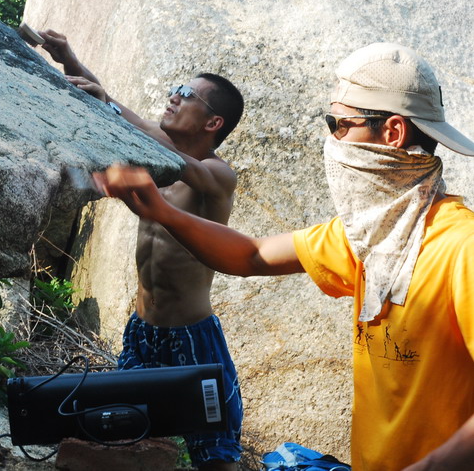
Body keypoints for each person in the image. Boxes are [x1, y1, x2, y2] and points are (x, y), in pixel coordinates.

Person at [93, 42, 474, 471]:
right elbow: (253, 256)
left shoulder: (461, 246)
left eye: (339, 125)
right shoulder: (368, 235)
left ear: (393, 134)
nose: (332, 140)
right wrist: (162, 212)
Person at [40, 30, 246, 470]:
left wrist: (112, 108)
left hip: (191, 337)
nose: (173, 97)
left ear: (213, 123)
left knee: (216, 455)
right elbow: (113, 106)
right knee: (121, 439)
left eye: (186, 94)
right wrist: (68, 57)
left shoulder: (216, 177)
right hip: (142, 332)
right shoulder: (159, 153)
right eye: (175, 89)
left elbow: (181, 161)